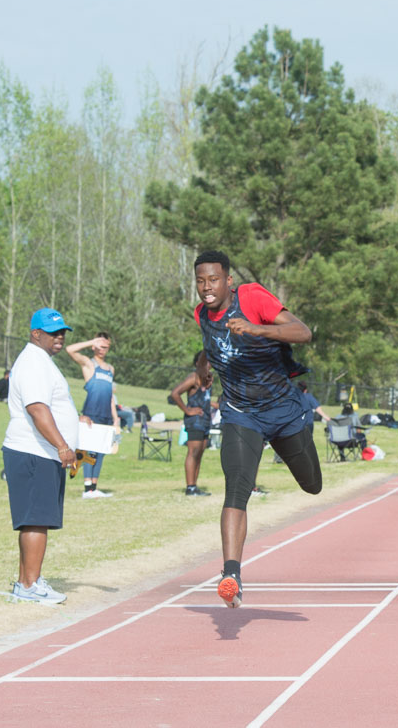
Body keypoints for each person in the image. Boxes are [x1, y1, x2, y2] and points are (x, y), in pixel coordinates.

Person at [193, 250, 323, 608]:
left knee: (312, 485)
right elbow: (209, 342)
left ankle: (301, 445)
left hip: (283, 411)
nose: (207, 287)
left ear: (228, 281)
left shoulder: (251, 297)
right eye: (201, 281)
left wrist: (256, 328)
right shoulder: (202, 313)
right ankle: (230, 574)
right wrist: (203, 367)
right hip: (239, 413)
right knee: (236, 487)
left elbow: (303, 332)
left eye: (214, 280)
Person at [1, 307, 87, 605]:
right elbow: (37, 409)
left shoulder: (41, 360)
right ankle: (29, 585)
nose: (59, 337)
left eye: (62, 331)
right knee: (36, 520)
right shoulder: (34, 362)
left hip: (38, 452)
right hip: (34, 451)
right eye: (53, 332)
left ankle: (29, 581)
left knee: (34, 521)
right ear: (35, 334)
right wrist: (63, 446)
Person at [65, 332, 118, 498]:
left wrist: (115, 417)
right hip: (91, 414)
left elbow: (110, 396)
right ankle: (87, 488)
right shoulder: (89, 364)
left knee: (101, 451)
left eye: (106, 347)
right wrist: (91, 342)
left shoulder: (110, 369)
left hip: (105, 415)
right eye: (100, 346)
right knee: (90, 451)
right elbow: (70, 349)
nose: (103, 350)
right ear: (95, 346)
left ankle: (94, 487)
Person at [170, 351, 214, 496]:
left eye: (210, 362)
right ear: (197, 364)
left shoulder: (208, 379)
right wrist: (188, 410)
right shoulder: (193, 378)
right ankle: (190, 487)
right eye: (205, 362)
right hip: (195, 421)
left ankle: (194, 486)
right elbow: (175, 393)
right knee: (193, 452)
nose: (208, 365)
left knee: (200, 452)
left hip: (206, 420)